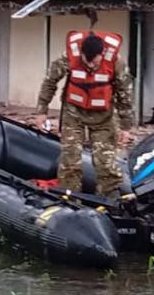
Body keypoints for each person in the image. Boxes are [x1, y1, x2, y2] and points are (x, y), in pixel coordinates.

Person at [36, 30, 134, 195]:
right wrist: (42, 110)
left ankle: (109, 201)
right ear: (81, 53)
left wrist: (126, 127)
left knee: (106, 164)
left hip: (104, 118)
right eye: (86, 62)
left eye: (94, 63)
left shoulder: (116, 62)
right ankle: (69, 198)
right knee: (70, 160)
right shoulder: (69, 56)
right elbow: (50, 81)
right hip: (74, 114)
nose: (90, 66)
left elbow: (125, 94)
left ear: (102, 54)